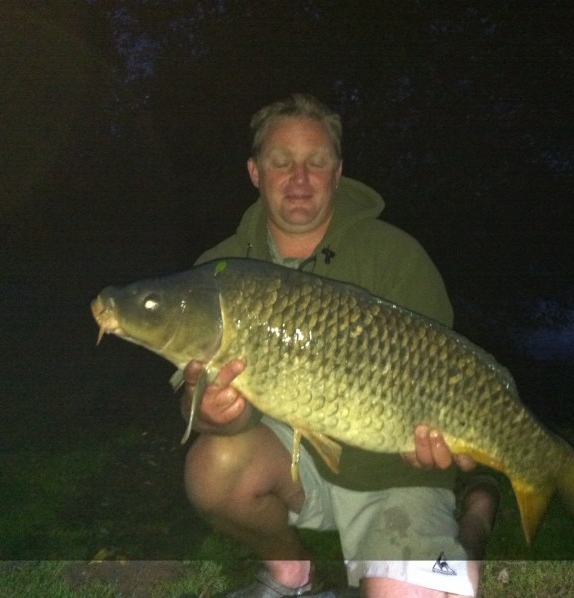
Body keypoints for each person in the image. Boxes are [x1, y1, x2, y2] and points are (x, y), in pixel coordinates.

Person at [182, 93, 499, 597]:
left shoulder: (396, 255)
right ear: (255, 172)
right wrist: (212, 413)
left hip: (393, 471)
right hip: (293, 461)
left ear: (338, 172)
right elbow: (196, 405)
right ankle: (292, 575)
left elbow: (447, 375)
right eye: (281, 162)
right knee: (213, 469)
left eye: (316, 162)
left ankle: (475, 518)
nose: (299, 179)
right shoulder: (219, 271)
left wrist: (436, 441)